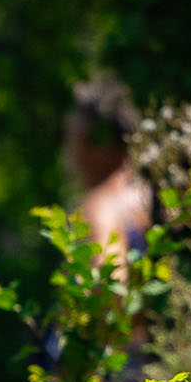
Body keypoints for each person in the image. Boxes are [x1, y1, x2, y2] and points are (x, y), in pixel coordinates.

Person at [64, 74, 151, 262]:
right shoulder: (149, 193)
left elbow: (109, 277)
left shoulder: (101, 206)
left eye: (71, 138)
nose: (69, 153)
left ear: (98, 143)